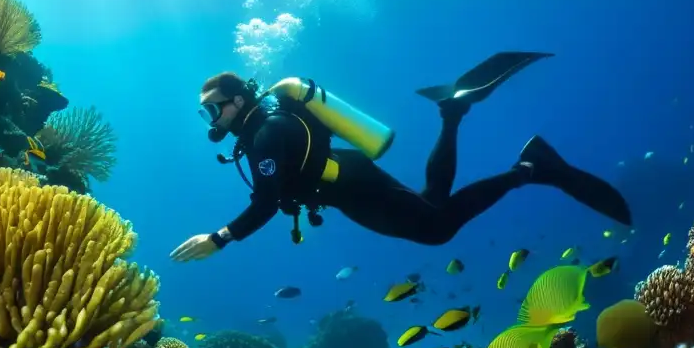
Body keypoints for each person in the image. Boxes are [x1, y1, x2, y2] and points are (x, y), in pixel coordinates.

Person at [170, 52, 632, 262]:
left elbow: (267, 201)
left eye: (213, 107)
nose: (210, 118)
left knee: (436, 228)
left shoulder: (266, 132)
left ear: (235, 101)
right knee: (432, 200)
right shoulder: (259, 127)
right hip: (348, 180)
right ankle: (453, 112)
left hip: (353, 186)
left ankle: (530, 169)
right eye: (204, 111)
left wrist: (220, 237)